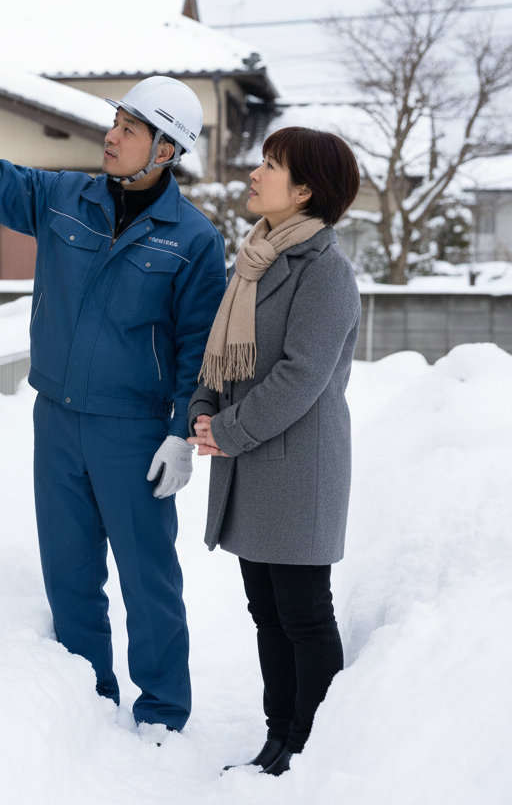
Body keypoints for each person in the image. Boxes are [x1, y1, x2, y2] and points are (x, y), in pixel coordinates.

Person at [0, 73, 226, 737]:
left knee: (149, 582)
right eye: (115, 122)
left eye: (130, 129)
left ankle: (163, 715)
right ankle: (85, 698)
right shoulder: (63, 200)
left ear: (166, 150)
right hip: (57, 421)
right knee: (70, 573)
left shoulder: (194, 240)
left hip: (134, 433)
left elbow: (196, 350)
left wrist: (180, 434)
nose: (112, 137)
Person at [186, 126, 361, 776]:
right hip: (253, 461)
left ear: (305, 190)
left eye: (269, 165)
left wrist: (225, 433)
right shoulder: (257, 259)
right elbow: (224, 356)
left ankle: (312, 747)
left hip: (298, 467)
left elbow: (301, 377)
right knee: (266, 610)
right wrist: (204, 406)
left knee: (303, 613)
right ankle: (277, 737)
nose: (254, 174)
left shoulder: (327, 273)